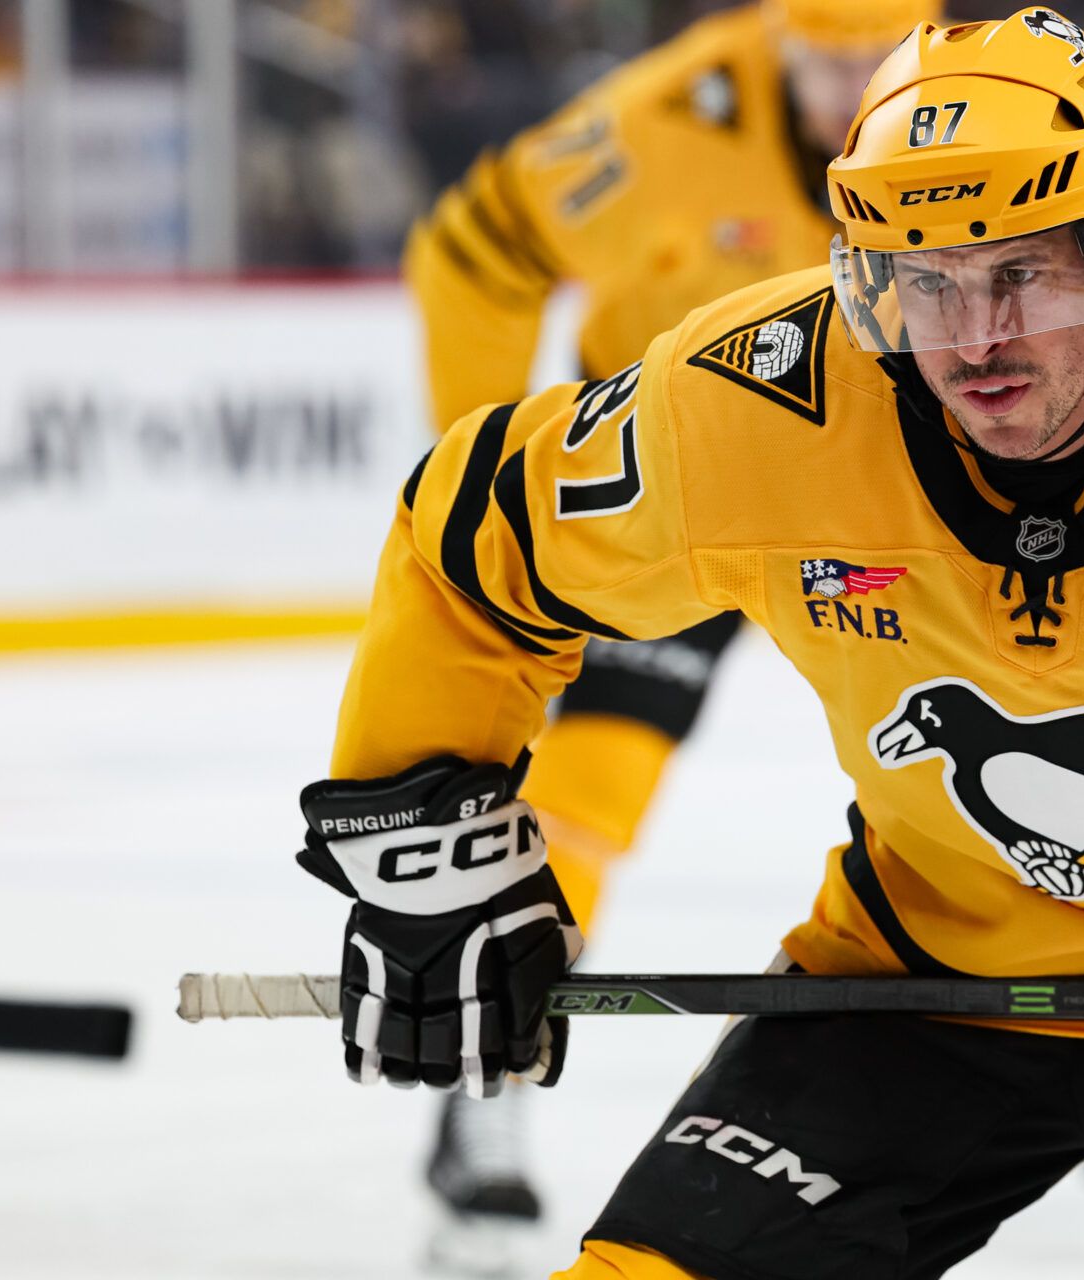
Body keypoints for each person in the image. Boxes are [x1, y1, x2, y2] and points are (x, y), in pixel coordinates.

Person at [296, 10, 1084, 1278]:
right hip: (931, 987)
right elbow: (472, 538)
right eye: (925, 280)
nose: (974, 341)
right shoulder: (757, 406)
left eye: (1025, 272)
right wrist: (423, 843)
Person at [400, 0, 941, 1249]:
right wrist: (482, 499)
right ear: (773, 41)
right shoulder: (654, 125)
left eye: (881, 61)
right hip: (676, 505)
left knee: (1005, 763)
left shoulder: (990, 106)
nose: (856, 88)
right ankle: (493, 1084)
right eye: (827, 64)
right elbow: (473, 254)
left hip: (888, 505)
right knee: (593, 787)